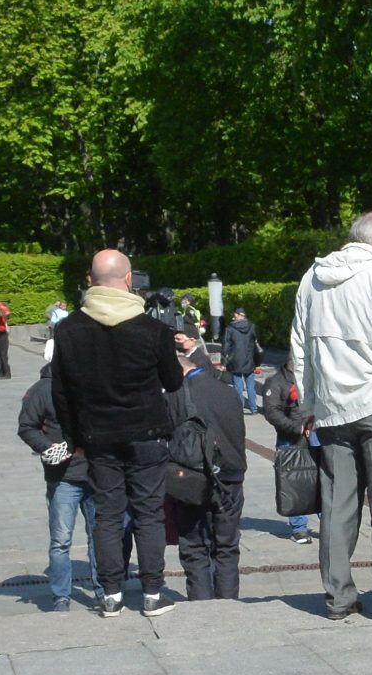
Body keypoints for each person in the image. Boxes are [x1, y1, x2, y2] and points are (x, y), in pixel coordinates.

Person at [290, 211, 372, 621]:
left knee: (337, 506)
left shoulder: (312, 279)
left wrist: (310, 405)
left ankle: (339, 597)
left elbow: (300, 348)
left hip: (333, 409)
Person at [54, 248, 185, 617]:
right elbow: (174, 382)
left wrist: (73, 438)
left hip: (98, 436)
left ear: (89, 280)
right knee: (148, 513)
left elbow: (60, 392)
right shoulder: (153, 329)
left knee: (107, 514)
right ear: (129, 280)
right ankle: (153, 593)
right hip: (147, 431)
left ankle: (110, 593)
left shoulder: (68, 329)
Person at [168, 327, 247, 601]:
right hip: (231, 477)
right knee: (226, 547)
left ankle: (202, 603)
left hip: (191, 480)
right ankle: (228, 603)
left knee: (193, 546)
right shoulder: (227, 391)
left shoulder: (177, 395)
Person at [18, 358, 90, 607]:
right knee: (61, 540)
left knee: (101, 536)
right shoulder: (43, 389)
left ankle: (105, 590)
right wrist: (48, 447)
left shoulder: (95, 381)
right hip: (64, 477)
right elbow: (27, 426)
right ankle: (61, 595)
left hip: (98, 473)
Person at [260, 365, 318, 546]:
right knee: (293, 481)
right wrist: (297, 428)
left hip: (318, 434)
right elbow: (271, 411)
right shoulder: (276, 381)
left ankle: (329, 521)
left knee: (323, 478)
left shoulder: (315, 374)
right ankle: (299, 528)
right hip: (291, 439)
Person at [221, 307, 260, 412]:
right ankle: (254, 408)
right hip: (249, 359)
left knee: (238, 385)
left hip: (235, 360)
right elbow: (255, 342)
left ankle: (240, 407)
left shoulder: (230, 328)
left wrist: (223, 362)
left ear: (237, 315)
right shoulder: (252, 326)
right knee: (251, 385)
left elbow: (226, 346)